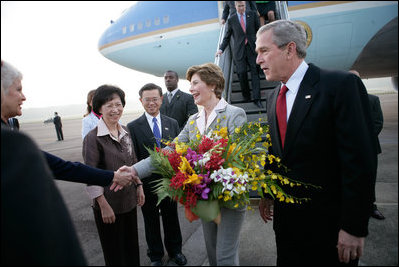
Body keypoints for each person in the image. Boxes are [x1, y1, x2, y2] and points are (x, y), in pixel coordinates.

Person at [255, 20, 377, 265]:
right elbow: (277, 151)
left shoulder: (340, 86)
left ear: (290, 49)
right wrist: (268, 193)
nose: (258, 60)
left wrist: (354, 227)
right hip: (287, 225)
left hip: (329, 228)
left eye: (264, 51)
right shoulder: (273, 97)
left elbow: (360, 160)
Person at [131, 63, 248, 266]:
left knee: (225, 256)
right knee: (212, 252)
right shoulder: (193, 120)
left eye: (195, 83)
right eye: (190, 84)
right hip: (205, 197)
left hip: (229, 197)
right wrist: (134, 170)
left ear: (212, 84)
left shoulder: (234, 114)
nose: (191, 89)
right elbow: (169, 151)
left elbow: (241, 158)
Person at [1, 59, 133, 190]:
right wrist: (113, 176)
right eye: (18, 89)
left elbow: (60, 167)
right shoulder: (9, 138)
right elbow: (63, 168)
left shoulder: (125, 130)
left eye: (118, 105)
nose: (23, 97)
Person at [83, 84, 145, 266]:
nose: (115, 109)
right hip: (108, 206)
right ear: (99, 108)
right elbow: (89, 175)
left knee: (132, 248)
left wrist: (139, 186)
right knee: (114, 253)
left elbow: (133, 163)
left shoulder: (125, 132)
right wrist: (102, 205)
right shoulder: (92, 138)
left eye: (118, 104)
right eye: (109, 105)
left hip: (128, 202)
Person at [127, 83, 186, 266]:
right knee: (150, 220)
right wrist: (138, 185)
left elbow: (179, 152)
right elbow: (134, 157)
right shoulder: (133, 127)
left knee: (172, 218)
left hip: (170, 182)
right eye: (147, 100)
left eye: (155, 99)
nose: (151, 103)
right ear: (140, 101)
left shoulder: (172, 123)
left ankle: (175, 251)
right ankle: (155, 255)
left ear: (161, 99)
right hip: (147, 184)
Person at [349, 70, 385, 220]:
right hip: (347, 149)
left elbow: (378, 123)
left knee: (369, 178)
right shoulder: (340, 100)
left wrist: (361, 139)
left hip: (368, 148)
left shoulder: (373, 100)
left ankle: (371, 207)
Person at [216, 1, 263, 109]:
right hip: (239, 50)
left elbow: (259, 31)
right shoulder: (231, 19)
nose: (242, 8)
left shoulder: (252, 15)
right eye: (240, 6)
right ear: (235, 6)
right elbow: (227, 37)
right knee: (241, 73)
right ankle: (246, 96)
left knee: (255, 72)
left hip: (252, 48)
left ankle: (257, 99)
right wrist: (221, 49)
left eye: (243, 6)